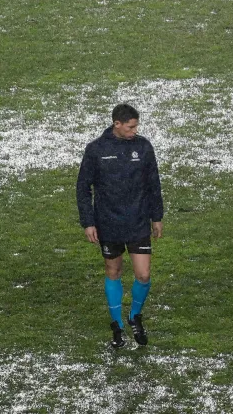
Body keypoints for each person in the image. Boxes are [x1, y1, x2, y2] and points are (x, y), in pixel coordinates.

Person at [76, 103, 164, 348]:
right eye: (130, 127)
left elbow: (153, 184)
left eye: (136, 126)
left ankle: (135, 315)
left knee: (143, 274)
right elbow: (83, 188)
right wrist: (88, 222)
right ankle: (117, 324)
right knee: (113, 271)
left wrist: (156, 217)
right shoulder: (96, 150)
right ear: (117, 124)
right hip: (108, 223)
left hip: (137, 221)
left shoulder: (143, 147)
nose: (135, 131)